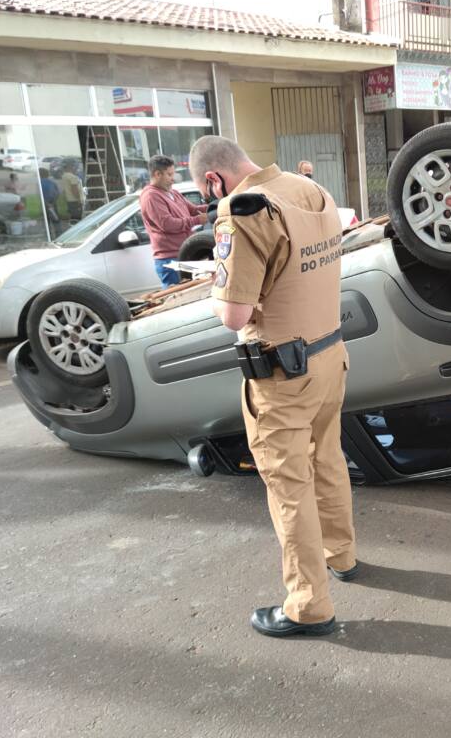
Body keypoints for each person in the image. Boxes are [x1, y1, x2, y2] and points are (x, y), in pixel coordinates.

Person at [188, 135, 355, 638]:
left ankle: (308, 606)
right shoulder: (309, 190)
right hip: (330, 357)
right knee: (327, 459)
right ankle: (341, 554)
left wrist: (216, 290)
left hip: (283, 375)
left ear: (213, 180)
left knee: (289, 485)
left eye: (204, 190)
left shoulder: (242, 213)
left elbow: (234, 315)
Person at [139, 154, 209, 288]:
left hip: (184, 254)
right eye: (169, 175)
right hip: (170, 259)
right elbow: (167, 224)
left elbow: (193, 209)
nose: (173, 179)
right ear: (157, 174)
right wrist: (198, 220)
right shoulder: (151, 196)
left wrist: (216, 206)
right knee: (178, 297)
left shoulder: (173, 192)